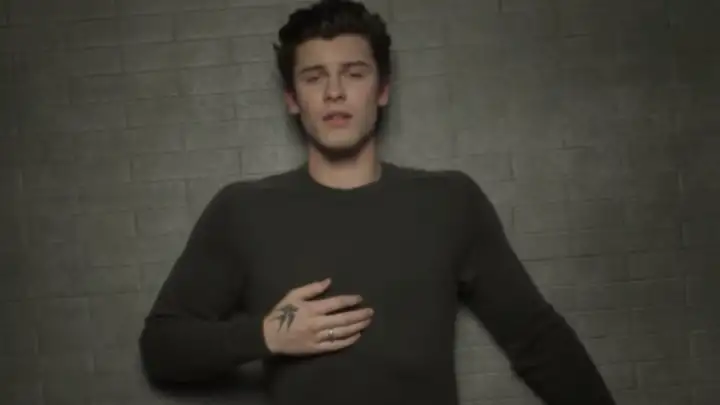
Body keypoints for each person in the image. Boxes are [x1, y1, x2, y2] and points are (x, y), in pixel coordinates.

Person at [139, 1, 616, 404]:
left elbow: (536, 338)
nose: (334, 92)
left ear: (382, 89)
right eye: (314, 77)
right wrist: (266, 334)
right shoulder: (243, 211)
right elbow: (161, 348)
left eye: (354, 73)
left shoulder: (449, 202)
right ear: (292, 99)